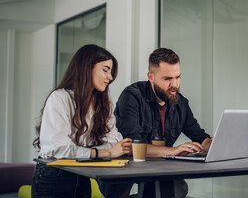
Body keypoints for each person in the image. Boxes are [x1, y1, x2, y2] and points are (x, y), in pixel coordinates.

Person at [31, 44, 132, 198]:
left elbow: (114, 139)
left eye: (111, 72)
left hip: (84, 174)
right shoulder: (59, 98)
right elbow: (59, 148)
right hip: (53, 178)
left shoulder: (103, 104)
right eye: (105, 70)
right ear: (87, 68)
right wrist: (106, 152)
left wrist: (99, 151)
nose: (110, 77)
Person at [115, 47, 212, 198]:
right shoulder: (132, 97)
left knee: (179, 188)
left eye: (178, 77)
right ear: (151, 77)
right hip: (125, 167)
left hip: (158, 168)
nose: (174, 84)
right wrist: (172, 151)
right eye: (167, 79)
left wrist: (212, 145)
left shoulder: (181, 103)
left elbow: (200, 136)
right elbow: (133, 146)